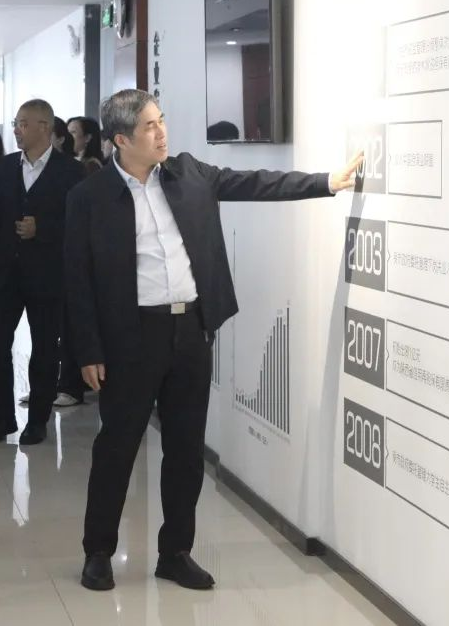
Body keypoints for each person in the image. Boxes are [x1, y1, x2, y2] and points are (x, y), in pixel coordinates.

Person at [65, 89, 363, 593]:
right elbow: (76, 279)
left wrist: (325, 182)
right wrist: (88, 350)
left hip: (189, 332)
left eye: (162, 120)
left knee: (185, 450)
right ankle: (98, 552)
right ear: (121, 140)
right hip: (129, 339)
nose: (162, 133)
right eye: (150, 127)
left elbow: (253, 183)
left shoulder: (189, 174)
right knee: (117, 447)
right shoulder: (88, 197)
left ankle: (175, 552)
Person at [0, 99, 84, 446]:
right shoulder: (6, 167)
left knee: (45, 349)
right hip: (5, 272)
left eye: (23, 123)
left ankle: (37, 420)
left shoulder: (70, 172)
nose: (17, 130)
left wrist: (44, 229)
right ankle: (1, 419)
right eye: (16, 123)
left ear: (44, 127)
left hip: (47, 275)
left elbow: (79, 225)